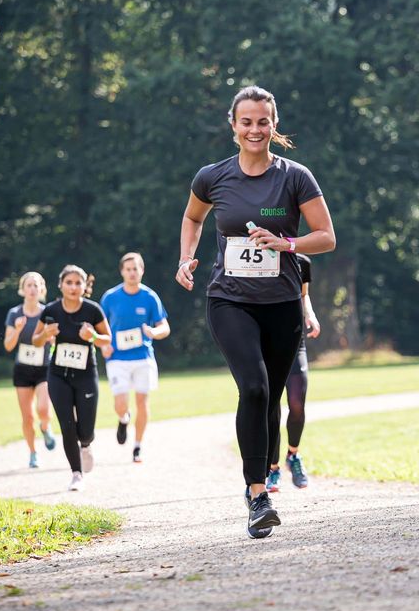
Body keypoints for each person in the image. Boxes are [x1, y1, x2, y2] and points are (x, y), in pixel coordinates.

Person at [175, 84, 335, 539]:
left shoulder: (295, 177)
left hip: (282, 304)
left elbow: (326, 236)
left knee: (270, 399)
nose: (255, 129)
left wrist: (287, 243)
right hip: (230, 300)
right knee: (254, 387)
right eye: (246, 121)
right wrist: (186, 257)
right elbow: (193, 217)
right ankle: (258, 494)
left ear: (274, 124)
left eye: (263, 122)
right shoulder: (212, 176)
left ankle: (259, 481)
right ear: (233, 125)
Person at [32, 265, 111, 492]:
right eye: (69, 282)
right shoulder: (51, 311)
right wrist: (45, 334)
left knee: (85, 428)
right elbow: (35, 341)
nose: (73, 287)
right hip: (58, 375)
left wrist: (92, 336)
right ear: (61, 285)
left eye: (78, 283)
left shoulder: (93, 310)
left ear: (85, 286)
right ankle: (76, 474)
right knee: (67, 426)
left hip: (86, 374)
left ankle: (86, 444)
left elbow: (107, 339)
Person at [100, 252, 170, 464]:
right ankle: (123, 418)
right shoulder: (110, 297)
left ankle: (137, 446)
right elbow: (99, 326)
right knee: (120, 404)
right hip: (117, 358)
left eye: (135, 269)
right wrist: (103, 345)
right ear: (122, 271)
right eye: (128, 269)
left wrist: (154, 332)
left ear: (142, 270)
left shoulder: (150, 297)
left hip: (142, 357)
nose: (132, 273)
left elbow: (164, 327)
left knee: (142, 401)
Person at [266, 253, 321, 492]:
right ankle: (272, 468)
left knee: (297, 402)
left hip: (295, 339)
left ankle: (293, 455)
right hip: (266, 341)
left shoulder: (302, 262)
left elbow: (303, 295)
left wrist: (311, 314)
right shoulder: (259, 258)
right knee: (272, 407)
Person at [3, 271, 55, 469]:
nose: (33, 289)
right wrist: (17, 329)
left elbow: (56, 339)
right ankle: (33, 453)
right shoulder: (14, 314)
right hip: (22, 370)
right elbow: (8, 346)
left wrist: (52, 337)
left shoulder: (48, 312)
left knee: (43, 409)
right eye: (29, 285)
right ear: (22, 289)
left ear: (42, 289)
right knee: (27, 416)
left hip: (44, 368)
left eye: (36, 285)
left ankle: (45, 427)